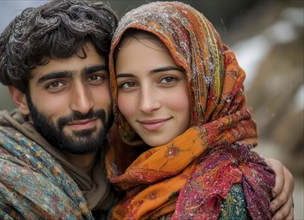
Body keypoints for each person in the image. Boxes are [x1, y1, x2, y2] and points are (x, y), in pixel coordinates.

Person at [0, 0, 293, 219]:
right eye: (56, 84)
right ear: (20, 98)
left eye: (96, 77)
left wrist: (252, 173)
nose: (83, 103)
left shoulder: (129, 154)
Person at [105, 1, 294, 219]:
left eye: (167, 79)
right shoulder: (120, 165)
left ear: (206, 84)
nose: (146, 104)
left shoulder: (228, 194)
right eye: (129, 84)